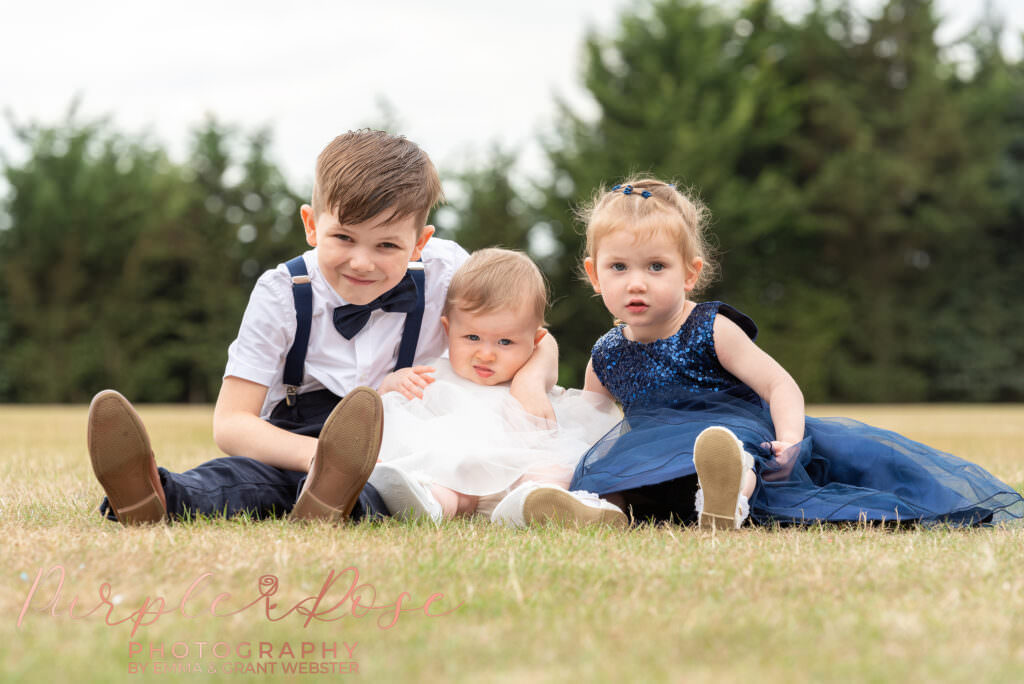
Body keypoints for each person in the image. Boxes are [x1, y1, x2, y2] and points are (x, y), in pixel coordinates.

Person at [86, 130, 558, 525]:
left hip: (398, 434)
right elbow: (231, 423)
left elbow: (526, 330)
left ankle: (338, 499)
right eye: (344, 238)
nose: (362, 262)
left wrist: (533, 378)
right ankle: (156, 493)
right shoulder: (281, 293)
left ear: (420, 243)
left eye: (387, 246)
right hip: (295, 433)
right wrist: (321, 458)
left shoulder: (448, 270)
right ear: (312, 226)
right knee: (249, 479)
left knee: (390, 488)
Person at [563, 177, 1024, 530]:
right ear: (595, 275)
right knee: (610, 471)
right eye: (618, 267)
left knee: (732, 448)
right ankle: (598, 511)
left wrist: (789, 439)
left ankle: (726, 499)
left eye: (656, 266)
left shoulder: (709, 328)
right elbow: (594, 424)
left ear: (689, 273)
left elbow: (777, 384)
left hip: (732, 434)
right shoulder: (606, 354)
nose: (636, 282)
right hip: (655, 462)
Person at [368, 248, 627, 528]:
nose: (486, 354)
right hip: (459, 477)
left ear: (535, 340)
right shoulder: (435, 375)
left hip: (517, 475)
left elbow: (554, 435)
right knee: (442, 481)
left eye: (505, 342)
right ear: (447, 329)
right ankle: (428, 503)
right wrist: (392, 383)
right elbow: (393, 411)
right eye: (472, 337)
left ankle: (533, 502)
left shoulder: (532, 389)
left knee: (552, 470)